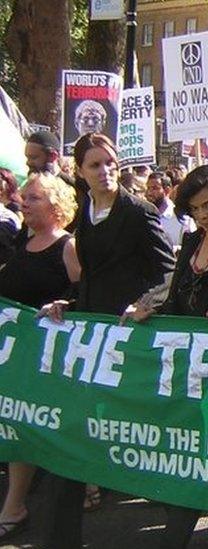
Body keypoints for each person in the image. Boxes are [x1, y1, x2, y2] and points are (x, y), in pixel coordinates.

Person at [36, 133, 175, 549]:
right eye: (95, 165)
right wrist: (71, 303)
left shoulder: (138, 211)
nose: (105, 171)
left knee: (141, 426)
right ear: (79, 171)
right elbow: (96, 273)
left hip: (134, 336)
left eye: (110, 162)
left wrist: (143, 305)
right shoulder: (86, 213)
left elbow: (168, 272)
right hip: (95, 333)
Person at [122, 165, 208, 549]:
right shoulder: (189, 244)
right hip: (187, 373)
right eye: (196, 209)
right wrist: (149, 311)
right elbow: (175, 305)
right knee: (189, 463)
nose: (202, 215)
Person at [0, 173, 80, 542]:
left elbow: (82, 295)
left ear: (54, 204)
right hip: (18, 355)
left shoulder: (68, 246)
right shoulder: (23, 238)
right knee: (20, 421)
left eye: (32, 197)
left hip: (52, 359)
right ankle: (15, 504)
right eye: (24, 196)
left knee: (42, 423)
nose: (23, 202)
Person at [146, 171, 196, 252]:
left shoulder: (183, 220)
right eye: (148, 188)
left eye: (154, 188)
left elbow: (193, 248)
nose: (149, 193)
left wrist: (174, 249)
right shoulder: (144, 215)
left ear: (167, 190)